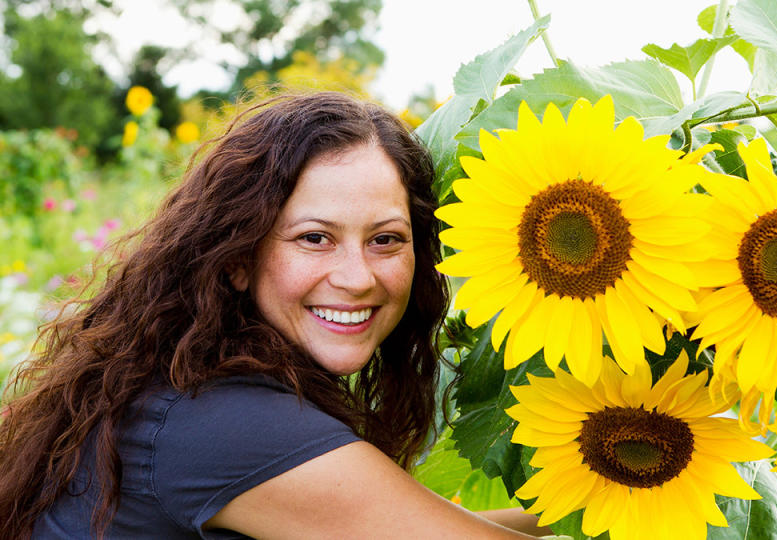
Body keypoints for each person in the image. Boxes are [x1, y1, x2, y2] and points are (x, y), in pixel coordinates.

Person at [0, 92, 549, 539]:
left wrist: (579, 516)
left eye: (386, 239)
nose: (357, 277)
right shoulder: (227, 425)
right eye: (314, 238)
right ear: (239, 257)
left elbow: (413, 523)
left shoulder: (192, 385)